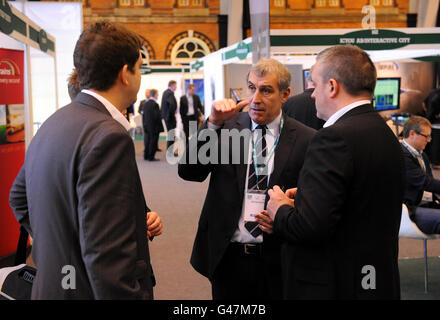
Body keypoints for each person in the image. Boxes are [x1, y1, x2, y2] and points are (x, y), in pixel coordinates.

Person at [9, 21, 162, 299]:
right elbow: (108, 259)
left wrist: (59, 245)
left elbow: (18, 197)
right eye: (139, 68)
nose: (140, 76)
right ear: (125, 74)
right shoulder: (108, 136)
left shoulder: (54, 122)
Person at [266, 45, 404, 299]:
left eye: (314, 86)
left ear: (332, 86)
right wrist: (310, 196)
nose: (311, 95)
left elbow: (309, 228)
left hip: (335, 283)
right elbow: (359, 200)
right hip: (373, 278)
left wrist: (280, 209)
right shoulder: (383, 130)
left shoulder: (333, 138)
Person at [178, 58, 315, 300]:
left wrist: (288, 215)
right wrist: (211, 124)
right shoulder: (225, 128)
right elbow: (190, 172)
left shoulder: (306, 139)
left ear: (285, 94)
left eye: (266, 90)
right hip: (227, 256)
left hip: (277, 257)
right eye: (251, 88)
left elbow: (311, 199)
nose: (256, 98)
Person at [401, 115, 440, 234]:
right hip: (408, 209)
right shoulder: (401, 155)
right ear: (412, 134)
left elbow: (430, 183)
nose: (429, 140)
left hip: (426, 203)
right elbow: (424, 182)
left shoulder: (422, 155)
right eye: (426, 136)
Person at [141, 89, 163, 161]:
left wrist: (144, 125)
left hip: (147, 126)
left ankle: (146, 155)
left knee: (147, 141)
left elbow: (143, 116)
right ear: (155, 95)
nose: (158, 96)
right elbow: (156, 117)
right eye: (157, 94)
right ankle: (151, 157)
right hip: (154, 127)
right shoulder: (155, 104)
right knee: (153, 142)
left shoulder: (145, 104)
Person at [161, 80, 178, 152]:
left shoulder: (166, 92)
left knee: (171, 135)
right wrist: (172, 114)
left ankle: (170, 151)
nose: (176, 87)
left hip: (168, 117)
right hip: (170, 118)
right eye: (175, 86)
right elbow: (171, 105)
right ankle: (170, 152)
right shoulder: (169, 93)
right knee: (171, 135)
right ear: (172, 86)